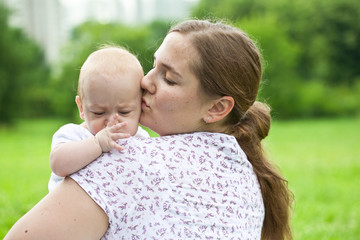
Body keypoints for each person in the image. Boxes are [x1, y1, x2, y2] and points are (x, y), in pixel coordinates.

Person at [4, 19, 293, 240]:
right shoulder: (248, 176)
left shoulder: (127, 159)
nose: (145, 82)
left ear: (216, 109)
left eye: (168, 78)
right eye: (153, 67)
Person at [48, 46, 149, 191]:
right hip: (74, 209)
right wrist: (97, 144)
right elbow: (58, 164)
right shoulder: (74, 135)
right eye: (98, 113)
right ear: (82, 108)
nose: (111, 122)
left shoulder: (140, 139)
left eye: (124, 111)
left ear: (141, 106)